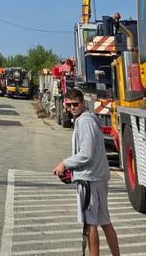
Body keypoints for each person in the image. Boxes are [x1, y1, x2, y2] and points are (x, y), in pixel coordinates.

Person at [53, 88, 120, 256]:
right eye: (69, 105)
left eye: (75, 104)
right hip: (95, 177)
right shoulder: (88, 121)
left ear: (83, 103)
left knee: (90, 225)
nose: (72, 108)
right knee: (105, 222)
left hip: (90, 179)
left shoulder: (84, 122)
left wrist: (65, 164)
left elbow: (86, 154)